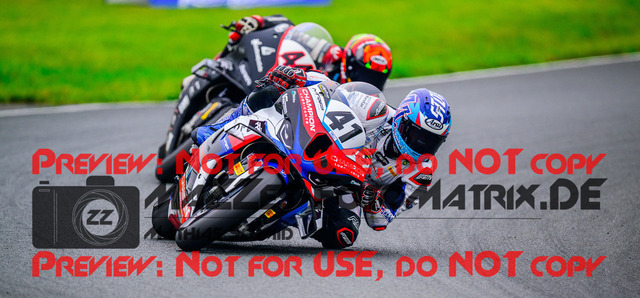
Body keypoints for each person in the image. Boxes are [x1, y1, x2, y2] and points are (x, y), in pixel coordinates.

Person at [192, 65, 452, 249]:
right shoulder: (376, 110)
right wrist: (299, 76)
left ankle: (280, 218)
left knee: (343, 236)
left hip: (346, 190)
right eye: (416, 134)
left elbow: (382, 220)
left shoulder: (420, 174)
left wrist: (373, 201)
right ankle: (219, 128)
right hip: (324, 153)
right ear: (401, 120)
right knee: (269, 92)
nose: (420, 144)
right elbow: (332, 89)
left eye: (431, 141)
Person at [221, 14, 393, 90]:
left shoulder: (367, 98)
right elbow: (288, 27)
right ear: (350, 63)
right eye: (365, 74)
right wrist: (260, 21)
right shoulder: (330, 53)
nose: (369, 81)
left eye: (376, 78)